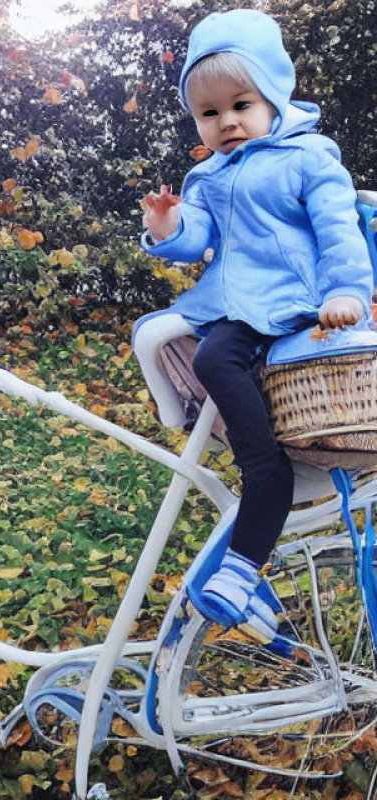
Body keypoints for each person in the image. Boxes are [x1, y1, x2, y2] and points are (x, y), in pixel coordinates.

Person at [139, 9, 374, 640]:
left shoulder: (307, 156)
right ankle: (261, 475)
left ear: (273, 98)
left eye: (241, 104)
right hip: (237, 305)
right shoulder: (207, 176)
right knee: (210, 357)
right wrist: (168, 228)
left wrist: (347, 290)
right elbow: (198, 239)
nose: (227, 122)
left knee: (217, 362)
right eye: (210, 113)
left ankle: (250, 539)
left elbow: (337, 229)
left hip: (298, 305)